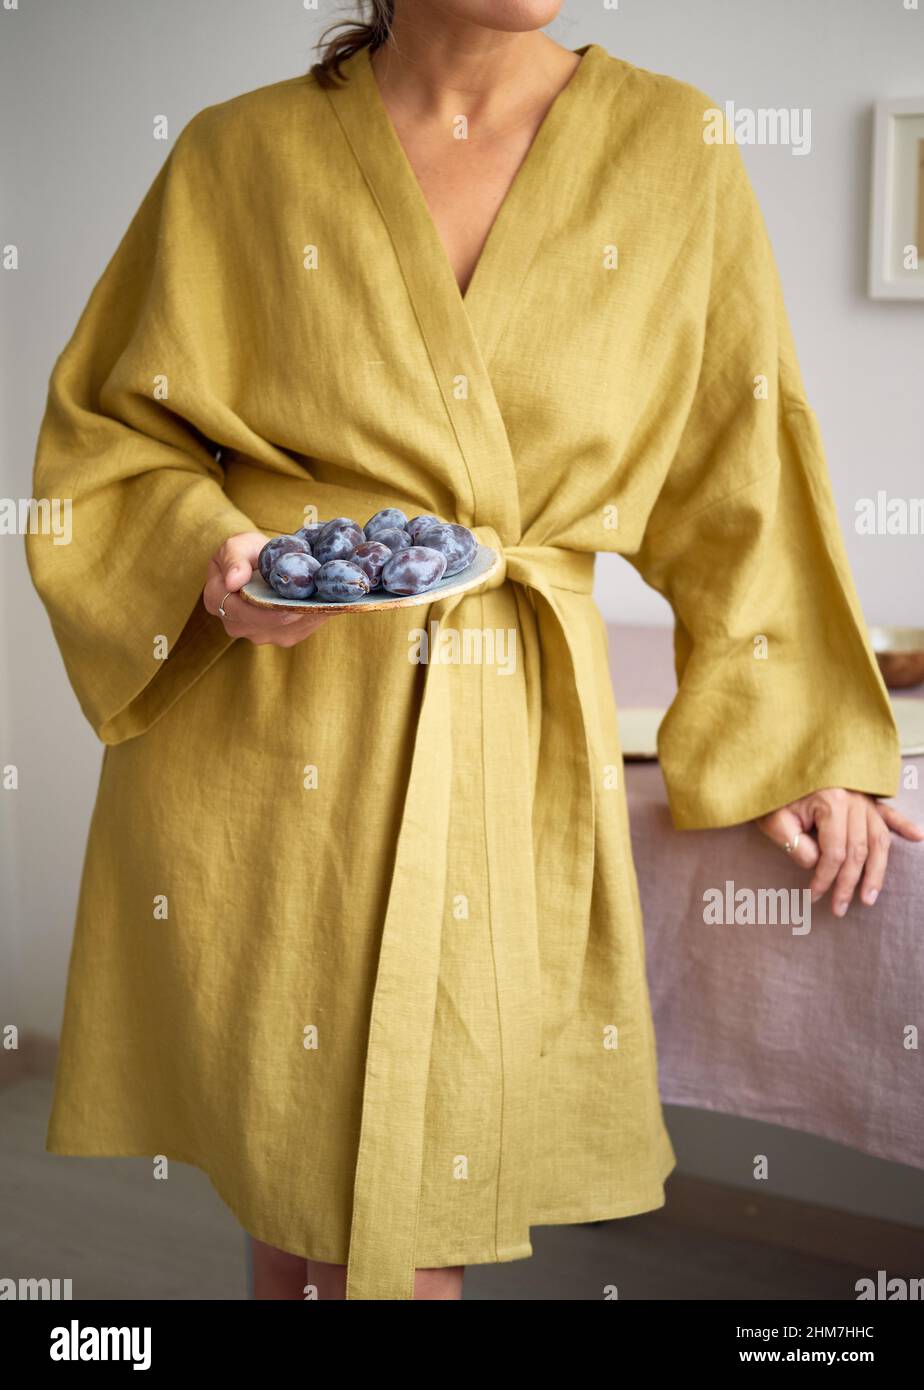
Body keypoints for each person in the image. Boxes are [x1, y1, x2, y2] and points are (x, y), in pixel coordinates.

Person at [27, 0, 923, 1302]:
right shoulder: (239, 153)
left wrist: (799, 737)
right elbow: (107, 439)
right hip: (265, 733)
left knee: (406, 1222)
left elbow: (742, 469)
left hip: (502, 741)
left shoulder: (674, 147)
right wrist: (212, 556)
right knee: (293, 1198)